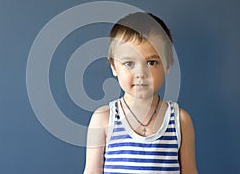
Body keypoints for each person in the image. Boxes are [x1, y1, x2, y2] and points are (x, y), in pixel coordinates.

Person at [84, 12, 198, 174]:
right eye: (129, 63)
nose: (141, 73)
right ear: (114, 67)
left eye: (151, 62)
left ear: (167, 65)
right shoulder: (103, 119)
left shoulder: (180, 120)